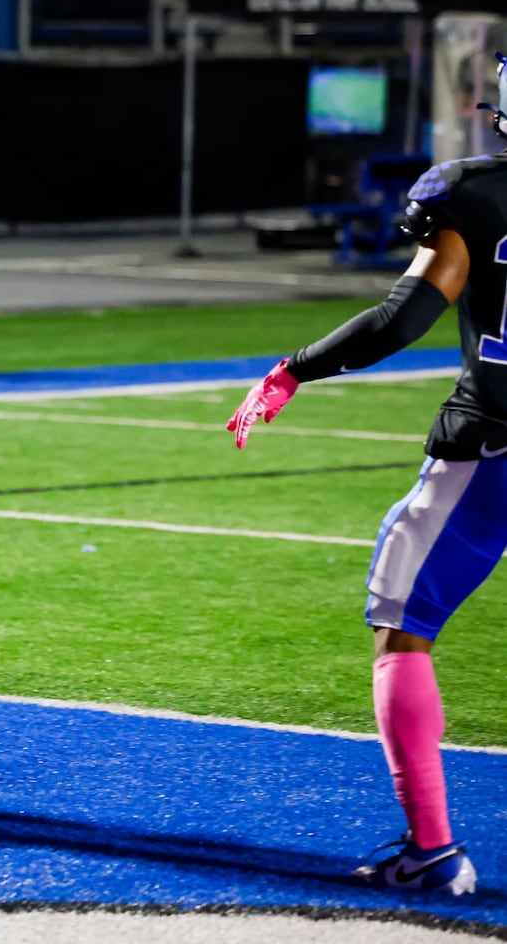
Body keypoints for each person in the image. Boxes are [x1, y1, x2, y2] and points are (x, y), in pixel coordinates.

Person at [224, 55, 507, 897]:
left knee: (404, 622)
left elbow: (405, 316)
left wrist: (292, 371)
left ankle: (430, 848)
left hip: (492, 446)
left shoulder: (474, 194)